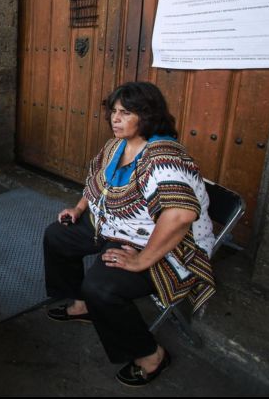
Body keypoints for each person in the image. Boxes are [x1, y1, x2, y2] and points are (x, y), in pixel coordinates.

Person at [43, 81, 216, 387]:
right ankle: (83, 306)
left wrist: (141, 261)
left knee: (101, 286)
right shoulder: (116, 145)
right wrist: (80, 208)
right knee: (58, 235)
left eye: (126, 112)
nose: (115, 118)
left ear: (147, 115)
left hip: (167, 245)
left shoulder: (164, 157)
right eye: (114, 111)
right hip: (116, 225)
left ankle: (151, 355)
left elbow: (180, 216)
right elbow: (97, 182)